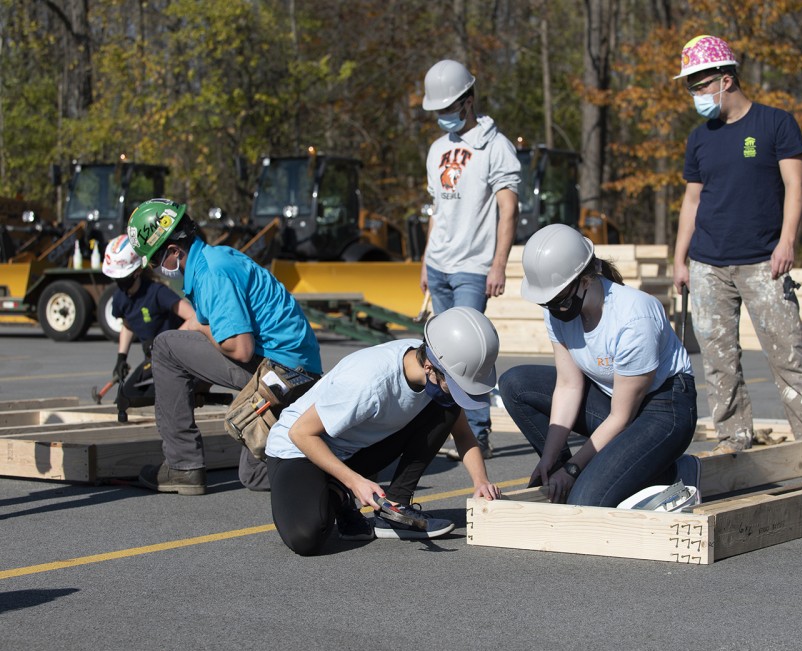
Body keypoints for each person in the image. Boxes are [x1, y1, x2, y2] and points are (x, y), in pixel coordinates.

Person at [671, 35, 802, 455]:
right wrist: (680, 259)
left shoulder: (775, 123)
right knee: (720, 362)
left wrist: (787, 242)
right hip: (708, 264)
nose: (695, 95)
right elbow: (692, 200)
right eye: (690, 87)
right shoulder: (700, 138)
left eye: (700, 85)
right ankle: (732, 440)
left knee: (788, 356)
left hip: (764, 261)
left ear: (725, 80)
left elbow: (794, 185)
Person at [264, 306, 502, 555]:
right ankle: (338, 495)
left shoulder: (435, 360)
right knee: (306, 538)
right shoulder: (366, 383)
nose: (456, 392)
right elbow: (300, 433)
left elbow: (463, 435)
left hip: (352, 449)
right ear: (430, 367)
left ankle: (394, 509)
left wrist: (481, 482)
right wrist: (354, 482)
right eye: (453, 385)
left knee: (446, 409)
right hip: (298, 451)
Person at [126, 198, 322, 495]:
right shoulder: (212, 261)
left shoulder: (213, 274)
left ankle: (182, 467)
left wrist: (187, 336)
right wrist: (185, 381)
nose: (156, 268)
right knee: (253, 476)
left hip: (281, 374)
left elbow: (239, 348)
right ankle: (328, 468)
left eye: (155, 260)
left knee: (165, 346)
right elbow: (208, 335)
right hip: (295, 374)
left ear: (173, 251)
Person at [498, 225, 699, 507]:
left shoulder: (634, 319)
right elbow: (568, 385)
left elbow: (621, 417)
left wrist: (574, 469)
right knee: (515, 384)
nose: (554, 308)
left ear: (585, 279)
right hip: (613, 399)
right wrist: (551, 459)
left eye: (559, 299)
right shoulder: (558, 309)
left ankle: (673, 471)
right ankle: (593, 472)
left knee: (587, 500)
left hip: (664, 408)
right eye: (548, 302)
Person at [420, 58, 521, 460]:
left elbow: (508, 210)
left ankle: (478, 433)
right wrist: (425, 264)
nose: (444, 117)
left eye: (449, 108)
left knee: (469, 353)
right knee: (441, 355)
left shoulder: (496, 147)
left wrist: (499, 264)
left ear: (468, 100)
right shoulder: (437, 149)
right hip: (439, 265)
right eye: (438, 111)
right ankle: (452, 429)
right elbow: (435, 210)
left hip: (473, 268)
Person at [100, 234, 196, 408]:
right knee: (125, 400)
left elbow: (193, 317)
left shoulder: (157, 292)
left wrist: (164, 342)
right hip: (153, 361)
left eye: (122, 277)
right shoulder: (120, 297)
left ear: (137, 271)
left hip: (177, 360)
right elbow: (128, 324)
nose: (119, 283)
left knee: (155, 402)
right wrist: (121, 358)